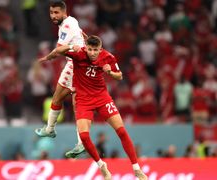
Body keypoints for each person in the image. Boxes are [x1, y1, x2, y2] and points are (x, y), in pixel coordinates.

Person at [38, 35, 148, 180]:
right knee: (83, 136)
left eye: (95, 50)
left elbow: (119, 76)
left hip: (102, 97)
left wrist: (109, 72)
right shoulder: (79, 53)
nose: (92, 53)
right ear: (86, 47)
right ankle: (102, 165)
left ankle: (136, 169)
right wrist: (71, 47)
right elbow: (58, 51)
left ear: (100, 48)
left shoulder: (108, 57)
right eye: (89, 49)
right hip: (83, 100)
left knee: (121, 131)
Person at [35, 0, 86, 158]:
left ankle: (50, 129)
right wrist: (89, 43)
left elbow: (59, 50)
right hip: (82, 66)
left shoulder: (66, 26)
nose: (53, 16)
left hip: (75, 66)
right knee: (77, 105)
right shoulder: (73, 21)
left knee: (57, 98)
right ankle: (81, 142)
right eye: (51, 13)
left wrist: (47, 58)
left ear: (64, 12)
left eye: (56, 12)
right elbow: (82, 33)